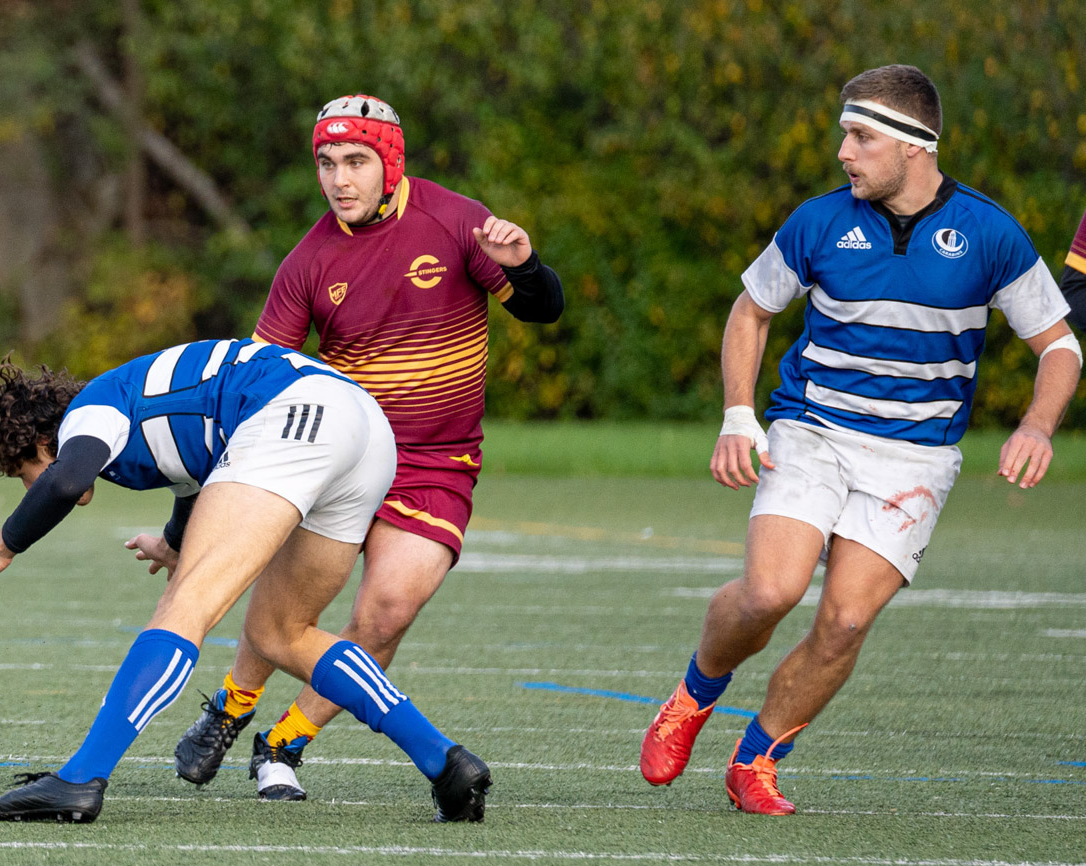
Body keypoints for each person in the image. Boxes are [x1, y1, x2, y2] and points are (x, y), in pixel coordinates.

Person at [638, 64, 1079, 815]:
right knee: (771, 592)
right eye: (845, 133)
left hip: (916, 458)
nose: (844, 151)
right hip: (815, 429)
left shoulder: (989, 233)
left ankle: (757, 759)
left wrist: (1037, 425)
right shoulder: (817, 222)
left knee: (844, 622)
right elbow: (750, 311)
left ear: (914, 144)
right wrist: (738, 414)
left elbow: (1060, 346)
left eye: (860, 136)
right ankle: (694, 693)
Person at [171, 94, 564, 801]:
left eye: (355, 161)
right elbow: (258, 380)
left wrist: (527, 264)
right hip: (341, 458)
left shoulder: (457, 222)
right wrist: (197, 506)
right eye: (326, 163)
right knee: (284, 610)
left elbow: (544, 309)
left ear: (391, 162)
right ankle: (231, 705)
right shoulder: (308, 261)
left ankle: (284, 742)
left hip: (436, 462)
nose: (339, 179)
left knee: (388, 611)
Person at [0, 346, 490, 824]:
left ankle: (80, 779)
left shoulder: (89, 413)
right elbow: (195, 481)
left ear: (44, 439)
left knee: (184, 607)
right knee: (281, 633)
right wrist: (172, 542)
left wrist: (2, 546)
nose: (28, 486)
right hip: (363, 430)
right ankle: (446, 764)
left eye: (22, 472)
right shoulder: (138, 416)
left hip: (294, 413)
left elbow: (64, 481)